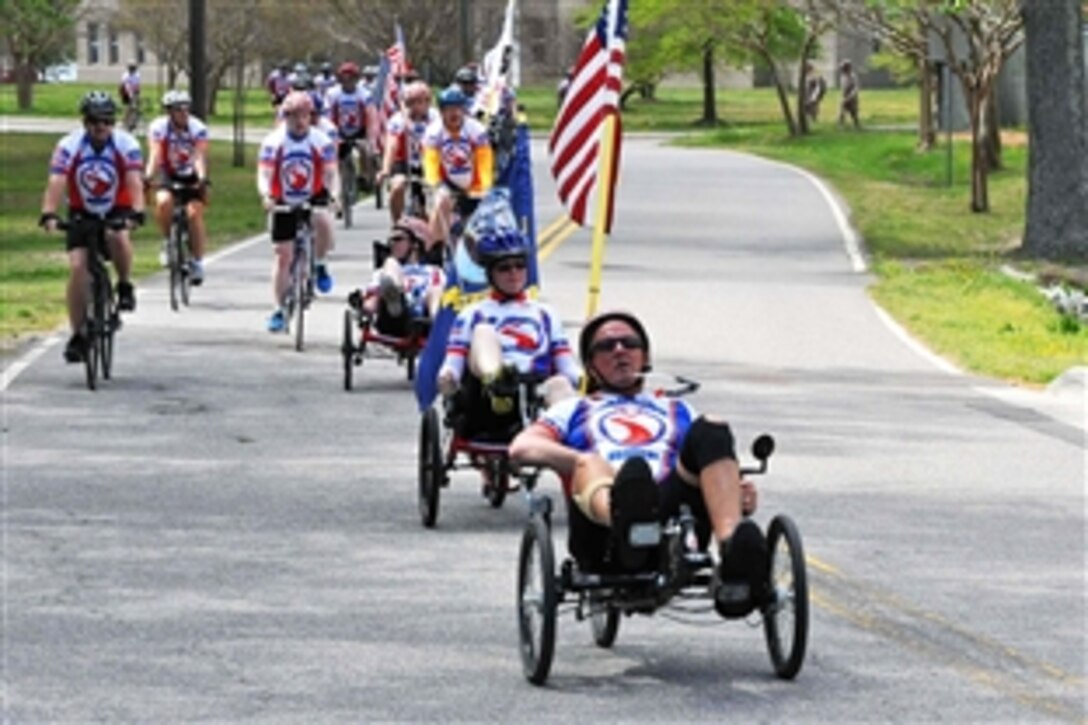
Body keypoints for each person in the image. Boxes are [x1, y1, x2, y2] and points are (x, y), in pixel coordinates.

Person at [509, 310, 767, 619]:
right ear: (591, 365)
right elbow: (522, 447)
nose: (619, 350)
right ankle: (626, 518)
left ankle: (733, 552)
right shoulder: (574, 408)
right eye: (606, 347)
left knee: (712, 426)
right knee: (598, 465)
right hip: (602, 523)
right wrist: (577, 461)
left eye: (629, 344)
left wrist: (736, 493)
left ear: (644, 357)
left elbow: (712, 462)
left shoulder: (676, 407)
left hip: (671, 512)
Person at [437, 218, 580, 437]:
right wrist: (447, 379)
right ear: (490, 274)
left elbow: (567, 366)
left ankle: (577, 440)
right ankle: (499, 383)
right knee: (483, 331)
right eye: (504, 268)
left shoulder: (545, 313)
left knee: (561, 384)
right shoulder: (473, 313)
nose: (514, 273)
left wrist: (590, 378)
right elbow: (452, 364)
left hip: (536, 393)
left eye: (520, 266)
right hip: (485, 398)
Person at [39, 91, 145, 363]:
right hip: (81, 208)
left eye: (107, 121)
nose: (101, 126)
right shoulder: (69, 145)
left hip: (117, 205)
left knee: (118, 236)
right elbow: (57, 180)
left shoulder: (126, 143)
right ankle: (78, 335)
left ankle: (123, 285)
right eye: (95, 121)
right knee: (78, 268)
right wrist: (49, 212)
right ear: (85, 122)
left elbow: (134, 180)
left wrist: (137, 211)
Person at [256, 91, 340, 333]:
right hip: (282, 197)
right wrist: (266, 195)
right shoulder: (274, 142)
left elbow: (331, 173)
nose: (300, 121)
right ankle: (278, 309)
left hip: (313, 192)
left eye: (305, 115)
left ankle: (320, 263)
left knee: (322, 219)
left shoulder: (321, 141)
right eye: (294, 116)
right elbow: (265, 173)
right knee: (283, 255)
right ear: (285, 117)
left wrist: (334, 195)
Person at [146, 90, 210, 284]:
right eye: (178, 110)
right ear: (169, 112)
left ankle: (197, 262)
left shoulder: (197, 128)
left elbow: (199, 155)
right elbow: (155, 154)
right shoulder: (159, 127)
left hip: (191, 174)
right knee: (163, 202)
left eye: (186, 108)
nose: (183, 113)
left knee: (193, 214)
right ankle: (168, 242)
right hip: (169, 172)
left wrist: (202, 178)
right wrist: (148, 176)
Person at [421, 86, 493, 251]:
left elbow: (484, 160)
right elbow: (430, 160)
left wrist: (484, 185)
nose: (454, 114)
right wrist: (434, 183)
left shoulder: (476, 130)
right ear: (441, 112)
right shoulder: (433, 132)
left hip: (473, 183)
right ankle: (434, 252)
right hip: (446, 183)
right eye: (449, 109)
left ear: (464, 110)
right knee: (441, 202)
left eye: (458, 108)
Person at [349, 216, 445, 337]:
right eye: (390, 240)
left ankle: (438, 322)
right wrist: (363, 304)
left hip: (425, 319)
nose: (391, 244)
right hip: (393, 317)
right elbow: (373, 300)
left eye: (398, 239)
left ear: (415, 244)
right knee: (390, 265)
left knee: (437, 290)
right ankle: (395, 299)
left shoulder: (433, 270)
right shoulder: (385, 270)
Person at [378, 80, 439, 224]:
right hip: (403, 162)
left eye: (420, 102)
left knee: (439, 193)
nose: (416, 107)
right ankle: (397, 224)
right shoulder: (398, 120)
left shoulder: (436, 118)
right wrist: (385, 169)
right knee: (397, 186)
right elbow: (391, 145)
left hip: (429, 161)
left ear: (428, 102)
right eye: (411, 102)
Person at [326, 62, 376, 191]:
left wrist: (371, 135)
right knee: (335, 153)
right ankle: (338, 180)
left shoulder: (364, 93)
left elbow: (370, 114)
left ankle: (364, 175)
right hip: (340, 130)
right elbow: (328, 115)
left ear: (356, 79)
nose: (347, 82)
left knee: (364, 148)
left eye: (351, 78)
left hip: (360, 130)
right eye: (344, 79)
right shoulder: (333, 94)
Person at [119, 61, 141, 131]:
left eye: (134, 68)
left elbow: (137, 84)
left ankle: (133, 122)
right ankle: (124, 122)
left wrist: (136, 93)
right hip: (125, 92)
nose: (132, 70)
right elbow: (126, 86)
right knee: (128, 108)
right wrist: (130, 95)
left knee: (135, 107)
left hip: (134, 91)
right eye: (131, 68)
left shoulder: (137, 75)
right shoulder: (125, 76)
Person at [838, 59, 861, 129]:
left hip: (852, 97)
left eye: (844, 67)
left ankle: (857, 125)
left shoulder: (852, 76)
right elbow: (843, 87)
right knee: (842, 111)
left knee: (853, 112)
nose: (842, 69)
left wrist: (851, 96)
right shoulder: (843, 76)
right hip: (845, 95)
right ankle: (840, 125)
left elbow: (856, 87)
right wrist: (843, 96)